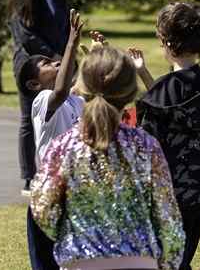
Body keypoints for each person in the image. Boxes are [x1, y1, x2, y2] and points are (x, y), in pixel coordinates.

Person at [30, 45, 185, 270]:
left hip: (82, 260)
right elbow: (168, 214)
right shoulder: (146, 145)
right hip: (140, 260)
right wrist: (168, 262)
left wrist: (68, 235)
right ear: (131, 93)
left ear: (83, 87)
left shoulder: (64, 146)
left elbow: (42, 206)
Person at [129, 2, 200, 270]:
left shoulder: (159, 94)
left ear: (167, 43)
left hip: (164, 196)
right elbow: (176, 103)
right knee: (181, 261)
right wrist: (144, 72)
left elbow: (145, 142)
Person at [19, 10, 85, 270]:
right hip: (48, 198)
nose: (56, 62)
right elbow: (59, 90)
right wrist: (71, 42)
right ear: (35, 84)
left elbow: (81, 86)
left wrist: (100, 55)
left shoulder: (76, 101)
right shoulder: (42, 101)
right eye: (47, 63)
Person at [10, 0, 71, 188]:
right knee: (29, 118)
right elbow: (25, 35)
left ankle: (59, 170)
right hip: (32, 64)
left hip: (60, 61)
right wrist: (51, 53)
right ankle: (29, 175)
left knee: (63, 112)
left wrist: (66, 53)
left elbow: (67, 26)